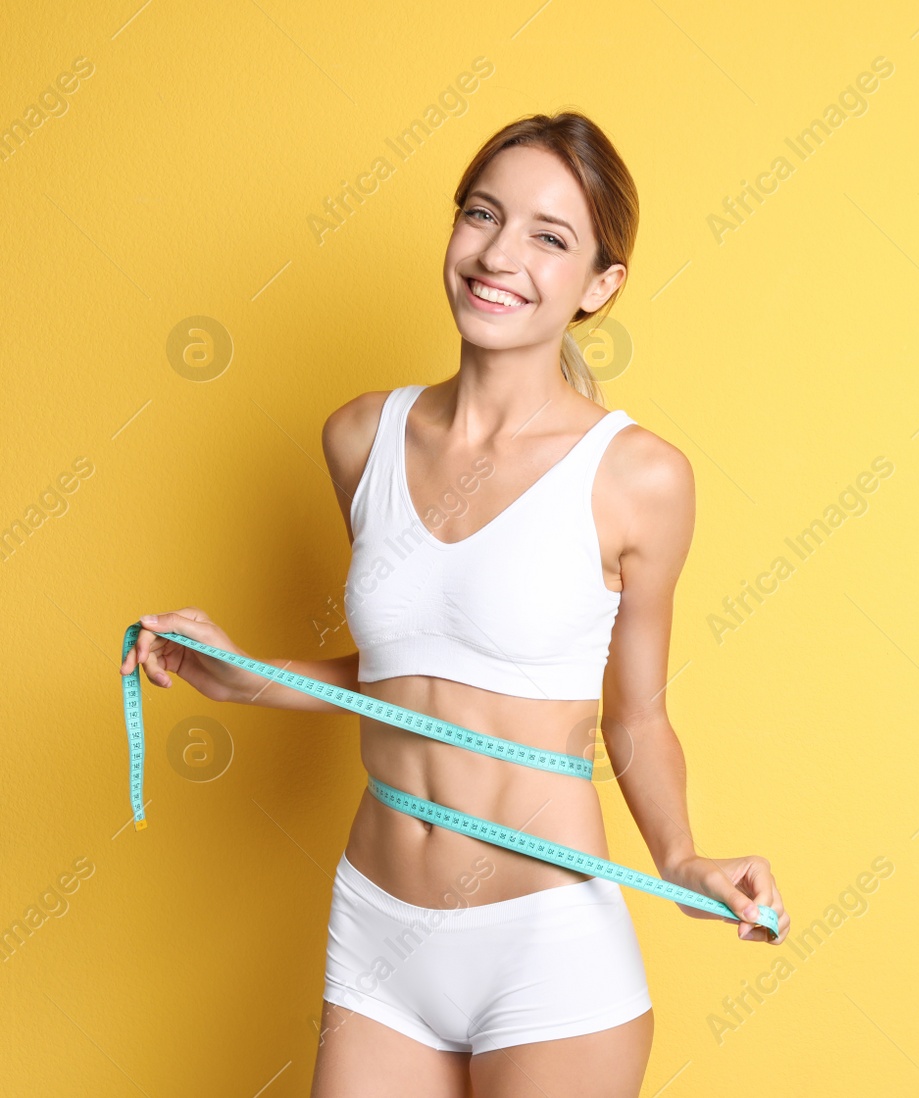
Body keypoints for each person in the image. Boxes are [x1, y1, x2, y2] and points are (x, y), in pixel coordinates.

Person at [118, 111, 788, 1098]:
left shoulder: (637, 478)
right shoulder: (359, 439)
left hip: (542, 944)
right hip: (378, 931)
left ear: (601, 285)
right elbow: (408, 673)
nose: (497, 254)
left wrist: (681, 857)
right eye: (482, 214)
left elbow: (634, 710)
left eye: (548, 237)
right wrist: (246, 678)